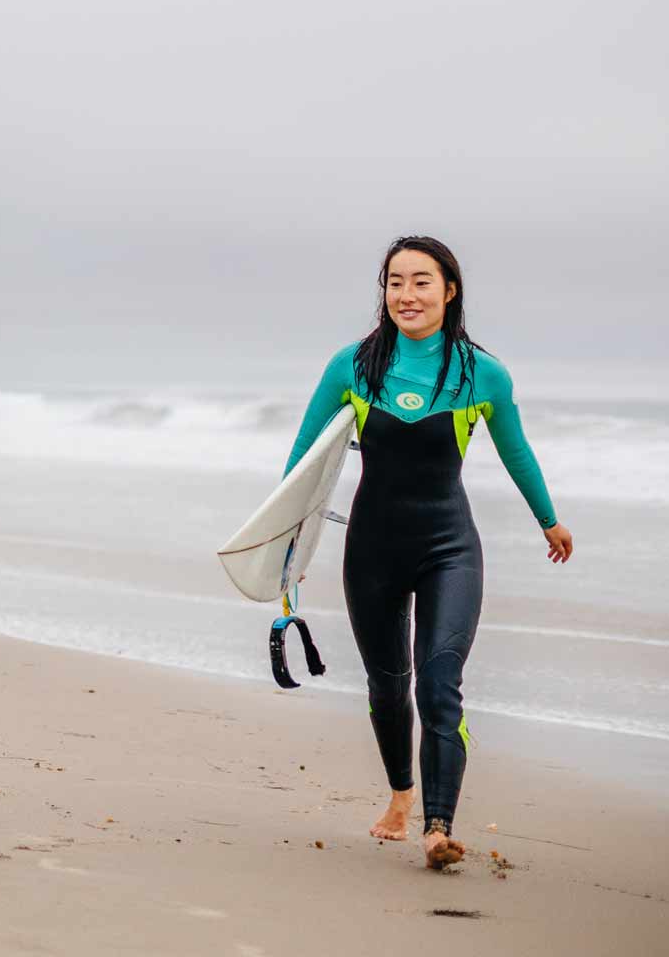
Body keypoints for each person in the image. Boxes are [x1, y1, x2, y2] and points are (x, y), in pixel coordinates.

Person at [286, 236, 573, 870]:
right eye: (395, 282)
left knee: (440, 683)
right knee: (390, 689)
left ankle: (438, 827)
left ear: (449, 291)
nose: (406, 294)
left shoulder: (482, 373)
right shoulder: (353, 366)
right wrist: (283, 538)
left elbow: (516, 451)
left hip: (450, 547)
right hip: (373, 551)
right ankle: (400, 795)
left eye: (421, 281)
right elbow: (305, 458)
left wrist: (548, 520)